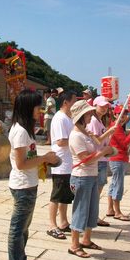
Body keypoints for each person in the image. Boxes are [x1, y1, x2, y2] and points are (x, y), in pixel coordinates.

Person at [8, 89, 59, 260]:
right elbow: (21, 164)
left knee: (24, 227)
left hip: (28, 184)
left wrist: (42, 161)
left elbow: (27, 159)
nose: (41, 111)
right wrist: (44, 157)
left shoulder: (24, 129)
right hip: (22, 186)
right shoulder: (20, 132)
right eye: (39, 107)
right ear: (29, 107)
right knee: (17, 228)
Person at [68, 100, 113, 258]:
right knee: (80, 210)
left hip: (91, 175)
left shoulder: (86, 133)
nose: (90, 116)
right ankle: (74, 244)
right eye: (87, 113)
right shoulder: (76, 136)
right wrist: (103, 152)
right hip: (81, 177)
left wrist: (106, 149)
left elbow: (98, 145)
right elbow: (85, 159)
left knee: (91, 210)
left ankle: (86, 240)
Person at [47, 91, 77, 240]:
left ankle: (63, 222)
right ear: (66, 102)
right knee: (57, 195)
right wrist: (77, 141)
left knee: (65, 195)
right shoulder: (59, 118)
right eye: (73, 101)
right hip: (61, 162)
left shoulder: (68, 118)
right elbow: (60, 141)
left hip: (68, 163)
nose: (75, 104)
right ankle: (52, 225)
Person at [87, 95, 116, 227]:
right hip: (98, 158)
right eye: (102, 106)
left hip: (102, 157)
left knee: (98, 190)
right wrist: (109, 132)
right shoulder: (93, 120)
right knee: (95, 191)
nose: (104, 108)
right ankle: (92, 216)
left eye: (106, 106)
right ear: (95, 105)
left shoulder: (99, 120)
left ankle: (94, 215)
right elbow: (96, 140)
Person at [106, 106, 130, 220]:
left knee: (113, 184)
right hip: (118, 158)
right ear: (115, 115)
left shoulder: (117, 126)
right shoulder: (116, 127)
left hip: (117, 158)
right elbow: (124, 143)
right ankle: (117, 211)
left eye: (124, 115)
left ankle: (110, 209)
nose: (123, 117)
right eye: (120, 115)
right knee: (118, 185)